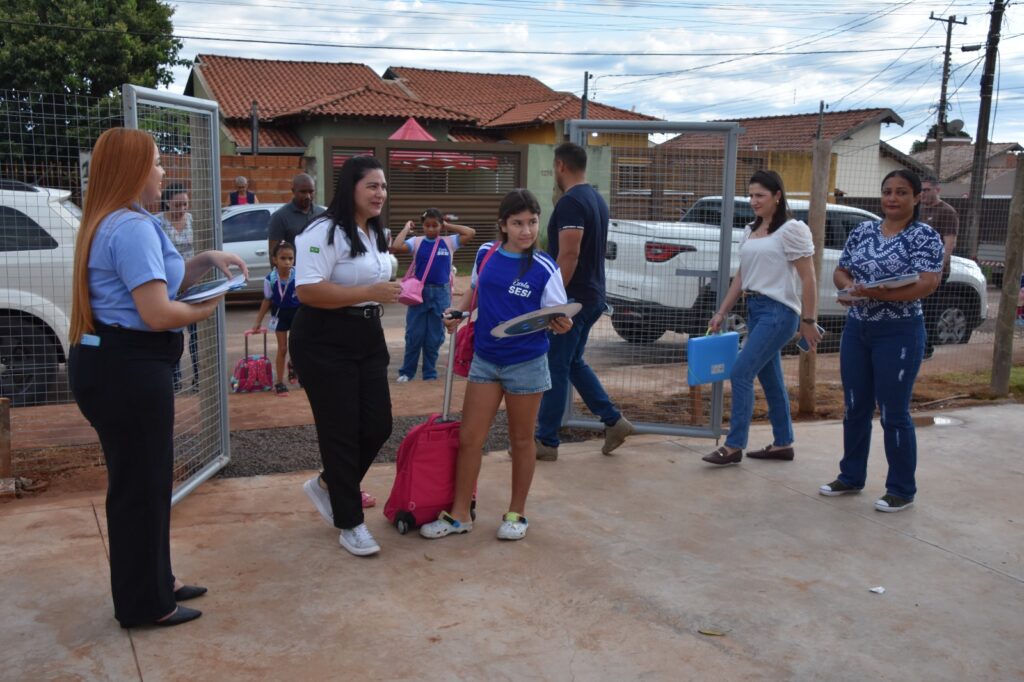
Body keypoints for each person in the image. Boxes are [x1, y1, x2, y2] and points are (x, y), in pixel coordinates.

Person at [67, 127, 248, 628]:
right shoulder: (129, 226)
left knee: (142, 483)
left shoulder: (118, 221)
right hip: (128, 371)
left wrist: (208, 261)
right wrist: (215, 299)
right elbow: (157, 313)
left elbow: (159, 283)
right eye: (156, 163)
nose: (163, 172)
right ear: (134, 171)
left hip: (112, 367)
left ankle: (155, 581)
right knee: (140, 487)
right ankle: (145, 604)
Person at [420, 189, 572, 543]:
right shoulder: (487, 254)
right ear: (503, 225)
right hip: (485, 361)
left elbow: (557, 315)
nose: (526, 230)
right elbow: (473, 291)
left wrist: (562, 323)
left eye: (532, 222)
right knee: (470, 438)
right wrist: (457, 312)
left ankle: (516, 513)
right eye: (518, 223)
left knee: (521, 440)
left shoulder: (545, 267)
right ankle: (460, 515)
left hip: (527, 364)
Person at [291, 156, 401, 557]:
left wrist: (385, 291)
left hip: (367, 335)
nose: (380, 194)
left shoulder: (373, 231)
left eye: (383, 187)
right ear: (350, 188)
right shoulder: (322, 231)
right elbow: (308, 291)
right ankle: (350, 523)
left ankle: (327, 485)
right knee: (340, 431)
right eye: (372, 185)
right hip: (324, 339)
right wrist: (369, 292)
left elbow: (371, 282)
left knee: (378, 424)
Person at [820, 169, 943, 512]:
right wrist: (847, 289)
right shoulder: (863, 231)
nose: (892, 198)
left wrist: (880, 294)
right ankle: (850, 476)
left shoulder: (924, 237)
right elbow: (841, 269)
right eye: (887, 191)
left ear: (916, 198)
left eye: (901, 192)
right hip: (858, 329)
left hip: (899, 332)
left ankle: (901, 489)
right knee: (855, 406)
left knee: (893, 411)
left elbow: (927, 283)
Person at [702, 170, 821, 466]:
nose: (753, 201)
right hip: (755, 310)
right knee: (771, 379)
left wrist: (808, 321)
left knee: (741, 372)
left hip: (779, 313)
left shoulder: (791, 230)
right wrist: (721, 312)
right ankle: (783, 443)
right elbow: (742, 276)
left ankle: (733, 445)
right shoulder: (751, 231)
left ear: (777, 196)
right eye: (751, 195)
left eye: (760, 196)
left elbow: (809, 278)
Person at [534, 142, 633, 462]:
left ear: (560, 166)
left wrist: (555, 301)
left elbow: (569, 253)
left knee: (556, 366)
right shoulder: (596, 199)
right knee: (573, 362)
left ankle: (546, 441)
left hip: (574, 299)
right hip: (591, 295)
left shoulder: (571, 202)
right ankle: (613, 421)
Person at [389, 208, 476, 382]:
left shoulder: (449, 241)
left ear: (440, 225)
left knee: (435, 337)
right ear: (422, 225)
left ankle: (430, 373)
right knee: (414, 335)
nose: (431, 229)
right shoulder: (417, 241)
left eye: (435, 225)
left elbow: (470, 232)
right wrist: (406, 228)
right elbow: (396, 246)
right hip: (418, 294)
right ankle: (407, 372)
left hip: (441, 294)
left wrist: (448, 225)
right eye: (427, 225)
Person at [158, 184, 200, 391]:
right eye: (177, 204)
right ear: (167, 202)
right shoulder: (158, 222)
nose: (182, 208)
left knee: (196, 334)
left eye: (185, 203)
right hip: (168, 286)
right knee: (173, 333)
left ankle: (198, 378)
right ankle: (174, 379)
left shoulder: (193, 220)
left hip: (191, 284)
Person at [918, 176, 960, 359]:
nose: (924, 194)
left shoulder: (947, 212)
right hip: (916, 269)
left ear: (937, 190)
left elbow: (949, 243)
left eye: (927, 190)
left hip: (934, 270)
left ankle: (926, 349)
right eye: (922, 190)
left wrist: (940, 268)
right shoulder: (917, 209)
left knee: (928, 309)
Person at [253, 242, 301, 396]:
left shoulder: (299, 274)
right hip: (279, 316)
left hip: (297, 315)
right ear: (274, 260)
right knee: (282, 348)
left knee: (297, 347)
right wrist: (258, 321)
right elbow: (267, 300)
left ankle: (294, 367)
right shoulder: (270, 279)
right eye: (283, 258)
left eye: (290, 258)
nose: (287, 262)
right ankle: (279, 382)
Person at [267, 173, 324, 264]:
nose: (308, 196)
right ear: (293, 191)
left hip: (319, 272)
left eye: (311, 191)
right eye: (303, 192)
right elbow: (273, 253)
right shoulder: (280, 217)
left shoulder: (322, 214)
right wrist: (279, 277)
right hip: (294, 275)